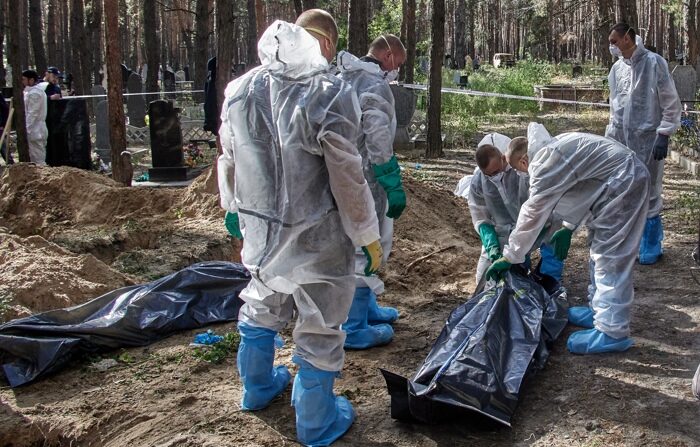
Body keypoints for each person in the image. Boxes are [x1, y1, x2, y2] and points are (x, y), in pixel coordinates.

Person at [217, 10, 381, 446]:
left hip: (262, 230)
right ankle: (316, 420)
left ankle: (256, 387)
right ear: (324, 43)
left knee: (261, 301)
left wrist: (230, 205)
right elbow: (346, 173)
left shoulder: (240, 90)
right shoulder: (327, 92)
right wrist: (366, 233)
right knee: (321, 320)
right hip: (317, 235)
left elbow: (229, 157)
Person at [487, 123, 650, 355]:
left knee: (610, 256)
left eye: (519, 169)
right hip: (614, 183)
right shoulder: (554, 148)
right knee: (598, 250)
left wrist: (510, 255)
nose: (522, 174)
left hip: (623, 183)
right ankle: (599, 310)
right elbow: (581, 187)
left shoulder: (544, 162)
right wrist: (568, 225)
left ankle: (612, 330)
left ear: (524, 161)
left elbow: (533, 212)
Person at [335, 35, 407, 350]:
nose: (397, 72)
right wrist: (390, 177)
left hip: (340, 177)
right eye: (399, 65)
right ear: (388, 56)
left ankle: (366, 307)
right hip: (366, 178)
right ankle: (353, 326)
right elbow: (377, 135)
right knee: (367, 245)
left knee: (360, 244)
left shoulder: (340, 78)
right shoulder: (373, 86)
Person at [606, 23, 681, 265]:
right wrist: (610, 139)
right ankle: (631, 241)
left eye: (615, 40)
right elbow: (614, 107)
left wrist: (664, 133)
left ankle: (650, 243)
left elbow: (670, 100)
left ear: (628, 38)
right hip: (621, 139)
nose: (612, 45)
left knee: (648, 188)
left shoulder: (654, 62)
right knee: (625, 189)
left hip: (649, 139)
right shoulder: (617, 69)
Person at [467, 133, 563, 285]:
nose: (494, 176)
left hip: (537, 224)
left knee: (554, 238)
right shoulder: (478, 182)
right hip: (504, 232)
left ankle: (549, 282)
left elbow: (538, 205)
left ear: (503, 158)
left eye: (497, 171)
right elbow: (480, 216)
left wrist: (517, 249)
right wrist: (492, 246)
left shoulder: (520, 170)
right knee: (487, 279)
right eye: (489, 175)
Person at [21, 69, 48, 165]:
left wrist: (27, 128)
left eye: (24, 79)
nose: (22, 82)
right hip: (36, 128)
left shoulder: (35, 93)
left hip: (35, 129)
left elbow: (32, 113)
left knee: (38, 159)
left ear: (31, 80)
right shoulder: (31, 92)